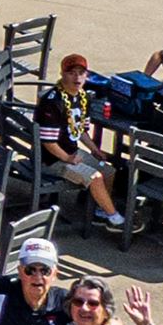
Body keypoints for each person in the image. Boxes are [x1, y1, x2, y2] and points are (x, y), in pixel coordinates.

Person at [34, 54, 125, 228]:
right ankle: (114, 218)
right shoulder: (53, 102)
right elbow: (48, 142)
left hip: (73, 152)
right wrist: (67, 158)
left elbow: (80, 130)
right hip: (54, 159)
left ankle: (101, 209)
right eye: (72, 73)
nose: (77, 78)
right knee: (95, 177)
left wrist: (94, 149)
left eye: (81, 73)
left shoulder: (83, 98)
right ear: (62, 74)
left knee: (109, 171)